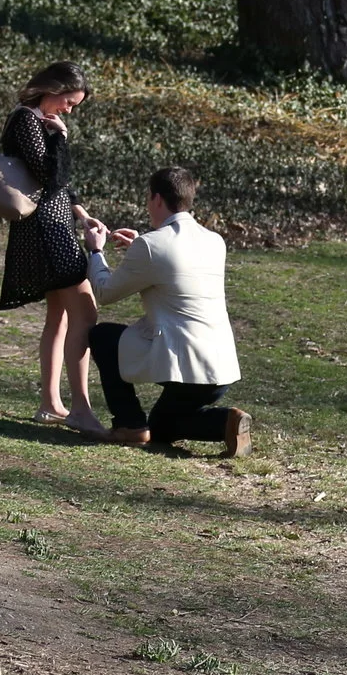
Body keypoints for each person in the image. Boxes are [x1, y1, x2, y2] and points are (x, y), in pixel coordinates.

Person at [82, 166, 252, 457]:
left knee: (102, 336)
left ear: (157, 199)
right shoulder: (214, 241)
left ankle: (129, 424)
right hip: (219, 368)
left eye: (148, 198)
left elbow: (105, 292)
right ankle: (227, 421)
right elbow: (179, 268)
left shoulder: (151, 245)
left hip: (183, 366)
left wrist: (96, 251)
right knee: (161, 428)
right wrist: (138, 246)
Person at [0, 62, 103, 435]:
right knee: (85, 315)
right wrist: (60, 138)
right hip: (46, 231)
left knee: (59, 318)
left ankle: (51, 404)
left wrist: (84, 215)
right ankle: (80, 409)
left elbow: (59, 185)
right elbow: (49, 176)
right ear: (52, 89)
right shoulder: (27, 120)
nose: (69, 111)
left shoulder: (37, 121)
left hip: (55, 224)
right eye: (69, 102)